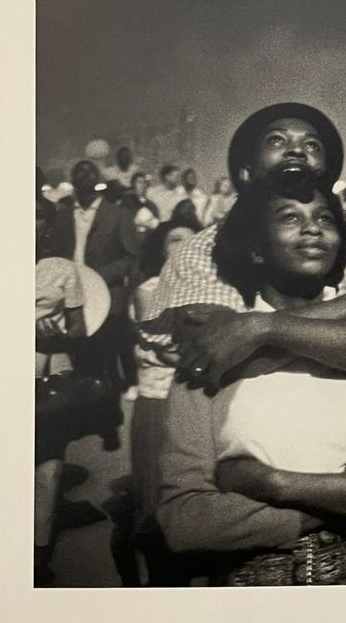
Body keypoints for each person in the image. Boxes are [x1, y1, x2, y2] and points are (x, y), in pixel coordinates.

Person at [156, 180, 346, 585]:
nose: (313, 229)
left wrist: (276, 484)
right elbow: (184, 520)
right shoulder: (217, 353)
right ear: (254, 247)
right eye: (290, 218)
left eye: (325, 218)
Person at [138, 103, 346, 395]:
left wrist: (255, 329)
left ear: (326, 175)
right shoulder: (200, 250)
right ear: (245, 172)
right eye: (277, 140)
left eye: (312, 144)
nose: (297, 150)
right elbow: (211, 352)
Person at [128, 220, 199, 585]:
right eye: (175, 241)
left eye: (192, 241)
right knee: (154, 500)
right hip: (158, 401)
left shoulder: (208, 289)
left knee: (193, 499)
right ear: (161, 248)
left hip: (197, 400)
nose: (184, 247)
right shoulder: (150, 290)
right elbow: (173, 351)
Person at [47, 159, 142, 408]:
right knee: (78, 354)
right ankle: (82, 410)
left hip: (107, 296)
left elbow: (131, 258)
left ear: (98, 180)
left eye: (90, 171)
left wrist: (99, 274)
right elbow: (54, 255)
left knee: (106, 357)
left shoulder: (118, 215)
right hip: (71, 297)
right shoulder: (64, 215)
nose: (85, 174)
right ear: (73, 180)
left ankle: (108, 416)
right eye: (79, 170)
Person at [34, 195, 89, 585]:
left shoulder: (61, 269)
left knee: (47, 466)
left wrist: (59, 334)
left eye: (36, 216)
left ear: (48, 225)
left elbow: (80, 329)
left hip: (49, 377)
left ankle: (38, 552)